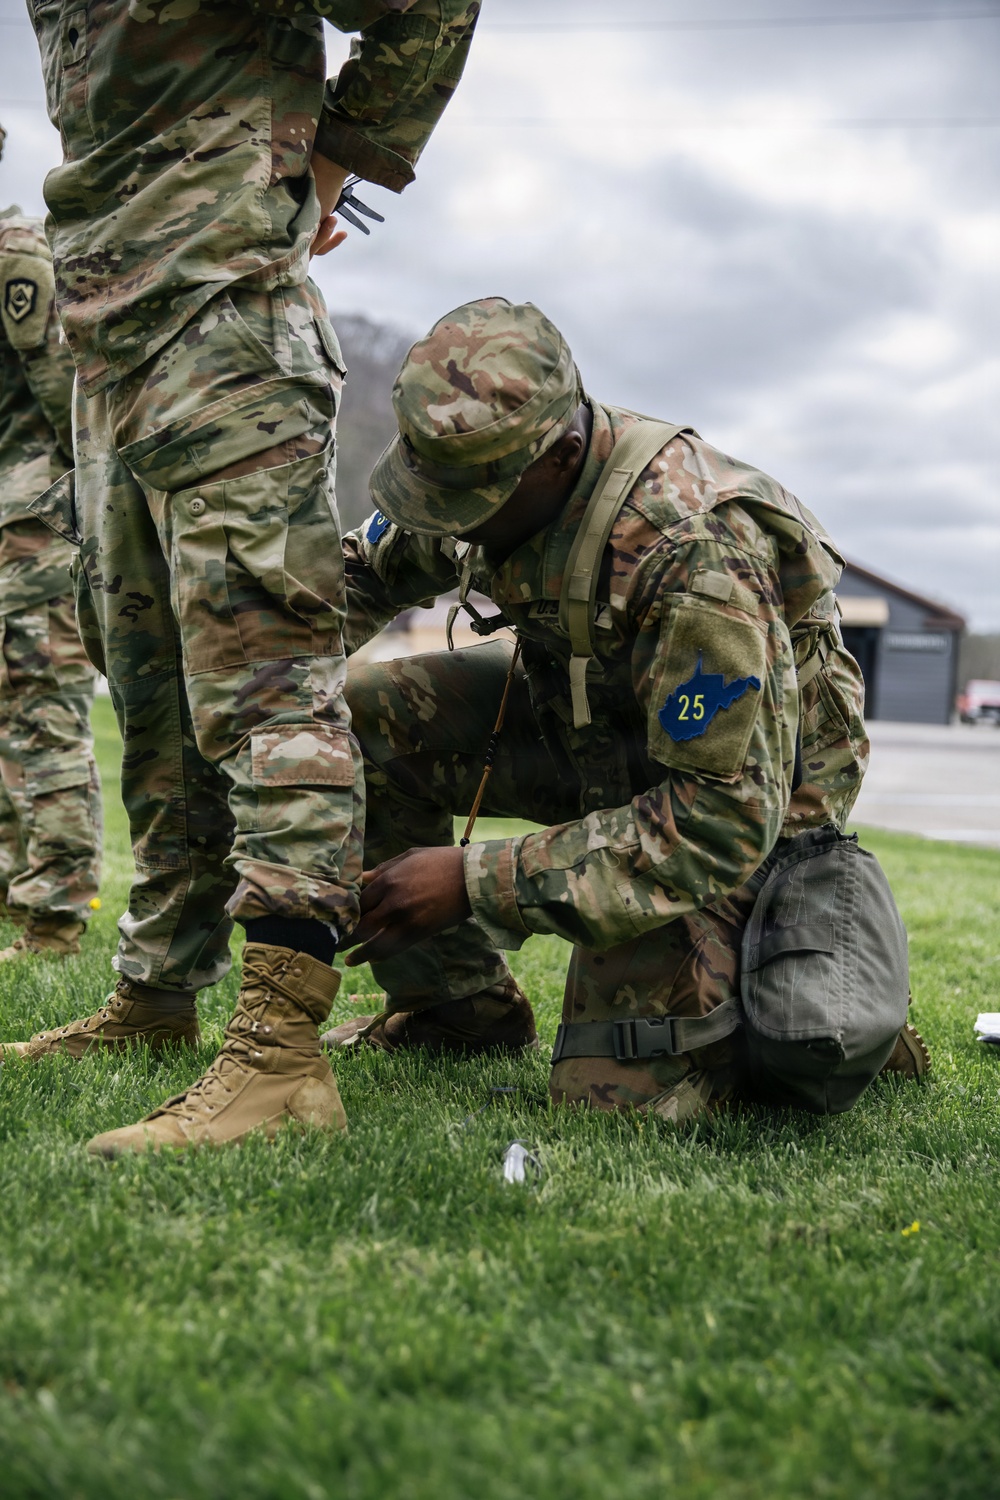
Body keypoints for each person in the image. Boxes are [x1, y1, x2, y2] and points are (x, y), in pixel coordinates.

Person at [4, 1, 479, 1160]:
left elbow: (426, 8)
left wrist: (324, 170)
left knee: (267, 689)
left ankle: (279, 1053)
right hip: (108, 346)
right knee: (153, 697)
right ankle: (157, 993)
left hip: (224, 326)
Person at [328, 296, 929, 1119]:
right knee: (366, 712)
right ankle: (457, 1009)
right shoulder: (476, 473)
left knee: (612, 1097)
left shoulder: (693, 552)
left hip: (738, 798)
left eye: (468, 499)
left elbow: (719, 819)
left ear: (562, 456)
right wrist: (247, 677)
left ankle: (816, 988)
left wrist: (473, 881)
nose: (446, 518)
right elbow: (357, 578)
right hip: (591, 722)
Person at [0, 133, 101, 961]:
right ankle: (15, 898)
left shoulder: (16, 259)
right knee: (10, 721)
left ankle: (56, 917)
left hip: (33, 533)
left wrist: (88, 519)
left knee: (44, 717)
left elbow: (69, 405)